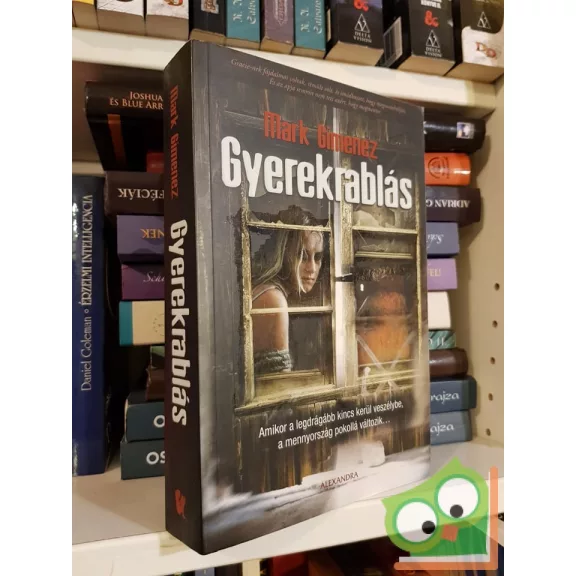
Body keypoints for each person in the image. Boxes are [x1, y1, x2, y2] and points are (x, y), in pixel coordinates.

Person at [251, 207, 326, 375]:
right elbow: (278, 385)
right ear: (284, 253)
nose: (312, 268)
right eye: (302, 256)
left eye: (318, 257)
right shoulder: (273, 299)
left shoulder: (272, 293)